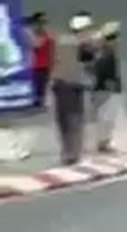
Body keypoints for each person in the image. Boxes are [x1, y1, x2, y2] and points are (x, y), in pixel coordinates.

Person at [51, 12, 97, 165]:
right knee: (75, 119)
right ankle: (73, 152)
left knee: (63, 120)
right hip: (74, 84)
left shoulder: (61, 40)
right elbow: (89, 59)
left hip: (60, 83)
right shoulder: (83, 43)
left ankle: (67, 151)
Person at [90, 21, 121, 153]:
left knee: (107, 117)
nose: (116, 42)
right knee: (106, 116)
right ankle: (103, 143)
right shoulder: (104, 56)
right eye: (113, 38)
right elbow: (100, 73)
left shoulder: (108, 54)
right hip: (105, 90)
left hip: (107, 89)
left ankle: (105, 141)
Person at [26, 12, 54, 109]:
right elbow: (36, 45)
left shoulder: (46, 34)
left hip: (45, 64)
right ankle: (37, 101)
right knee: (37, 85)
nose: (42, 25)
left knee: (43, 86)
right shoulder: (30, 34)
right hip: (35, 65)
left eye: (44, 22)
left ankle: (40, 101)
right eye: (40, 22)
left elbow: (50, 50)